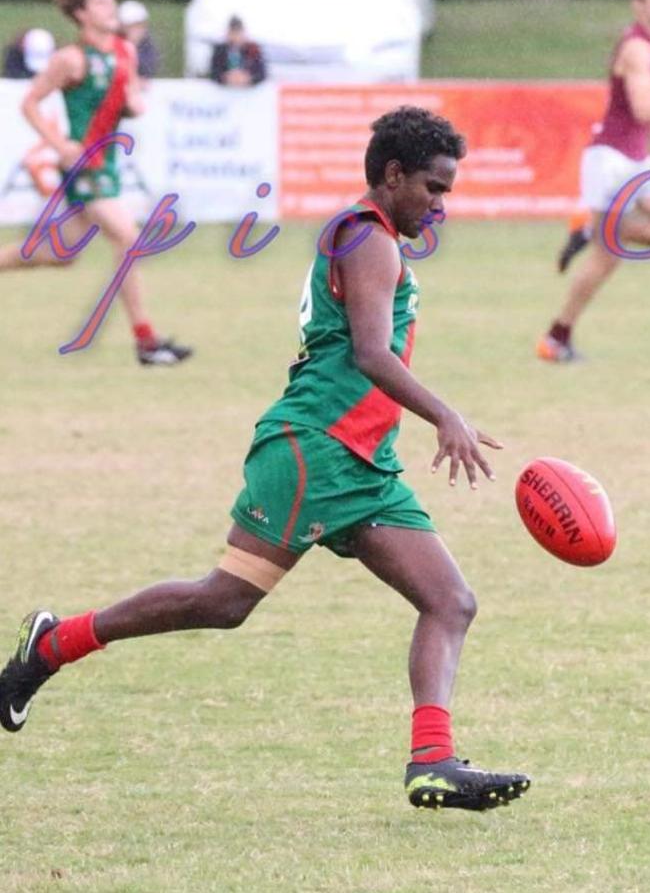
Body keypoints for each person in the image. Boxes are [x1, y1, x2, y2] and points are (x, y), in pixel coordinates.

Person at [0, 107, 530, 813]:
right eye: (433, 188)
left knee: (445, 600)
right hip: (317, 449)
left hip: (361, 463)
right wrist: (447, 415)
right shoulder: (369, 240)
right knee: (224, 600)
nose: (441, 205)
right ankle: (53, 646)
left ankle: (432, 763)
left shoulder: (360, 233)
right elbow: (371, 352)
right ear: (394, 175)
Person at [0, 0, 191, 366]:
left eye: (111, 1)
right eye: (102, 2)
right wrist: (59, 144)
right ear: (82, 13)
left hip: (107, 165)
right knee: (127, 235)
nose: (111, 9)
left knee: (60, 251)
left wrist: (135, 100)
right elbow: (29, 104)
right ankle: (147, 341)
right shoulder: (70, 59)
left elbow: (133, 101)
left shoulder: (125, 52)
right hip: (83, 166)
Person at [537, 0, 650, 361]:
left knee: (606, 257)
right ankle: (590, 227)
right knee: (610, 248)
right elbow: (642, 108)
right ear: (638, 3)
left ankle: (557, 337)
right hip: (613, 162)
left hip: (636, 160)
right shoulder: (637, 48)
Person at [210, 16, 266, 87]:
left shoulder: (253, 49)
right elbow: (213, 73)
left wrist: (249, 78)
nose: (236, 37)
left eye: (238, 33)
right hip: (224, 92)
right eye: (233, 32)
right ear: (228, 33)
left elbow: (262, 74)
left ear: (243, 33)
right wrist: (225, 77)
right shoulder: (219, 49)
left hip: (248, 94)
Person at [117, 0, 159, 79]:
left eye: (139, 25)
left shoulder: (147, 43)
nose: (136, 30)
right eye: (132, 26)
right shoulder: (113, 43)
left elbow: (150, 66)